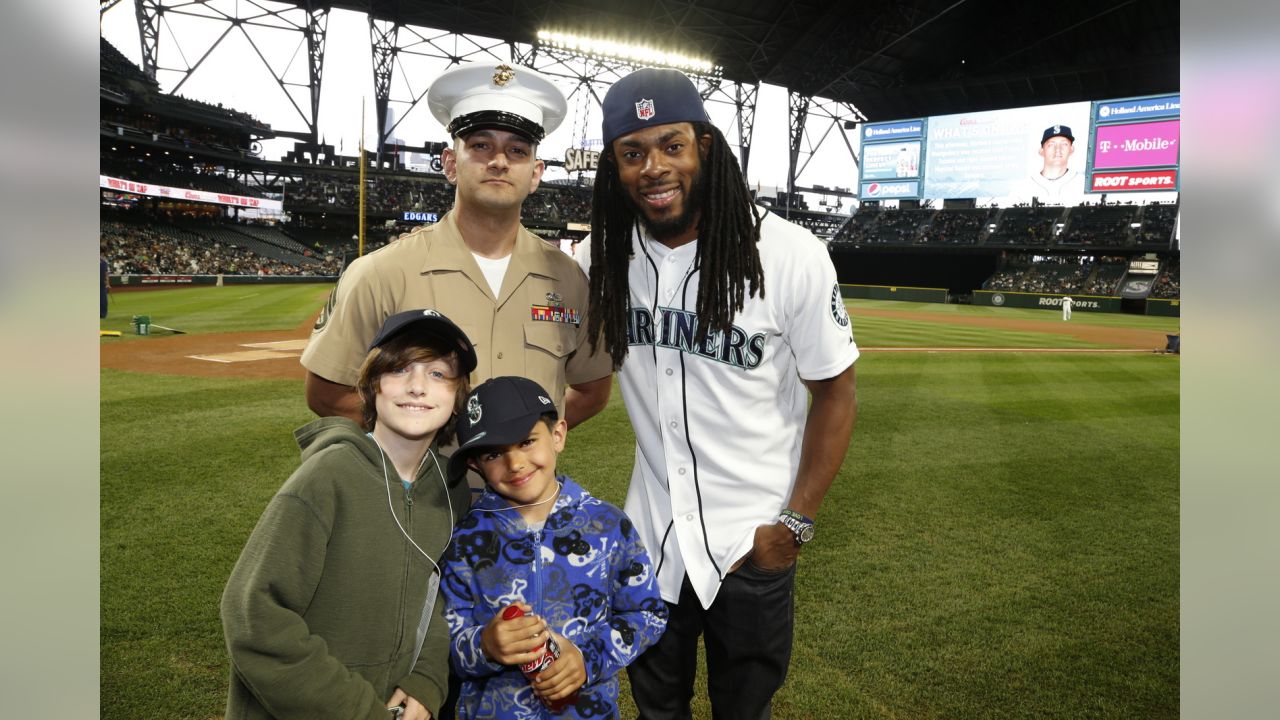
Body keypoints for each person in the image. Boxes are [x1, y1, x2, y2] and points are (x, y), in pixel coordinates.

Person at [580, 67, 860, 718]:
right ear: (614, 168)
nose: (653, 167)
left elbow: (837, 393)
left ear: (705, 146)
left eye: (671, 145)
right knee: (656, 713)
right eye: (632, 152)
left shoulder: (790, 254)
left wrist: (793, 523)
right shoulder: (605, 257)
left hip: (750, 550)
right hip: (650, 548)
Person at [301, 61, 612, 431]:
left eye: (517, 150)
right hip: (422, 489)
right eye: (480, 146)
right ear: (450, 164)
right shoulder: (381, 272)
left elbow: (592, 389)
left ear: (535, 174)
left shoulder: (568, 278)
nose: (499, 161)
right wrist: (421, 452)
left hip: (525, 489)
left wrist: (529, 446)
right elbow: (327, 394)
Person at [221, 309, 477, 720]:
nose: (416, 387)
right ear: (373, 383)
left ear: (457, 396)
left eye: (438, 374)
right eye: (400, 369)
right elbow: (253, 615)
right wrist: (359, 710)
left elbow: (442, 596)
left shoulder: (451, 490)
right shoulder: (329, 476)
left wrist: (426, 682)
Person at [439, 376, 667, 719]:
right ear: (475, 464)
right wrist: (485, 646)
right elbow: (444, 644)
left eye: (527, 441)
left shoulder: (607, 525)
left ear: (557, 435)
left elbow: (647, 613)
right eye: (493, 453)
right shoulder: (465, 540)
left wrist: (586, 657)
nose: (515, 464)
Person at [1022, 125, 1084, 202]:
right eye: (1051, 145)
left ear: (1071, 149)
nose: (1058, 149)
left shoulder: (1083, 184)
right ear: (1041, 151)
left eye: (1064, 144)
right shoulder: (1024, 188)